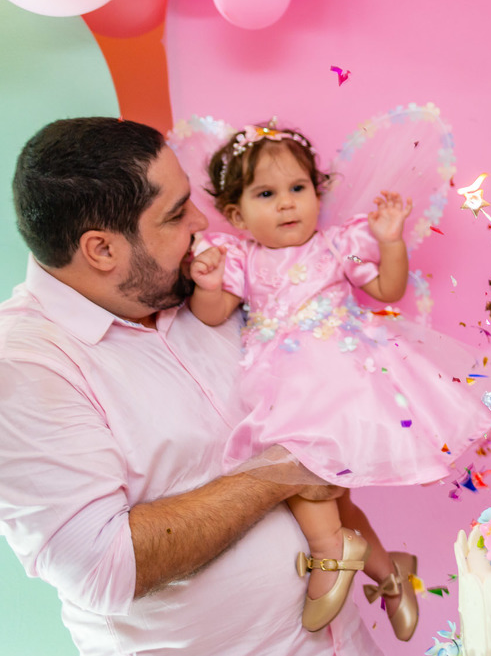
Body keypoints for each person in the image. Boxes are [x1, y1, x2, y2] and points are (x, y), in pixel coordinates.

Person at [0, 117, 382, 656]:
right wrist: (281, 471)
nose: (202, 221)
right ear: (101, 250)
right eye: (177, 213)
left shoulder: (199, 286)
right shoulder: (26, 366)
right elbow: (103, 567)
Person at [187, 122, 489, 638]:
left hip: (339, 382)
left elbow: (388, 289)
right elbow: (212, 314)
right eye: (266, 194)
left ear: (316, 193)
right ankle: (390, 573)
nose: (287, 203)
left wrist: (390, 242)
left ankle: (330, 549)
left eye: (297, 188)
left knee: (308, 483)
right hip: (281, 383)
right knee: (335, 498)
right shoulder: (242, 259)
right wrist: (209, 285)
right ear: (237, 215)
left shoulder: (336, 247)